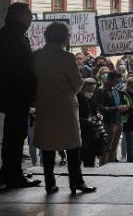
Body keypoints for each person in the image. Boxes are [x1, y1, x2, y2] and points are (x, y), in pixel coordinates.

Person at [32, 22, 95, 195]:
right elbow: (77, 84)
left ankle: (49, 183)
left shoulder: (37, 55)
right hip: (65, 106)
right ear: (64, 38)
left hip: (44, 104)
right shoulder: (67, 57)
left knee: (48, 145)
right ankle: (76, 181)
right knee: (72, 146)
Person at [0, 3, 41, 188]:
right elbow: (21, 65)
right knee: (15, 134)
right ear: (19, 16)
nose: (30, 20)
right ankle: (13, 175)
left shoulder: (11, 34)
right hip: (16, 92)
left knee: (14, 134)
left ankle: (10, 172)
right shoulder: (13, 36)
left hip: (15, 91)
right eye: (28, 16)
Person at [77, 78, 105, 168]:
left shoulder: (91, 98)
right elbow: (73, 117)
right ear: (83, 88)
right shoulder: (77, 99)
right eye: (89, 90)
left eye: (93, 90)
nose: (91, 93)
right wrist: (87, 120)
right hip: (80, 132)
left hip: (91, 134)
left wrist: (98, 115)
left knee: (90, 160)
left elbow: (96, 109)